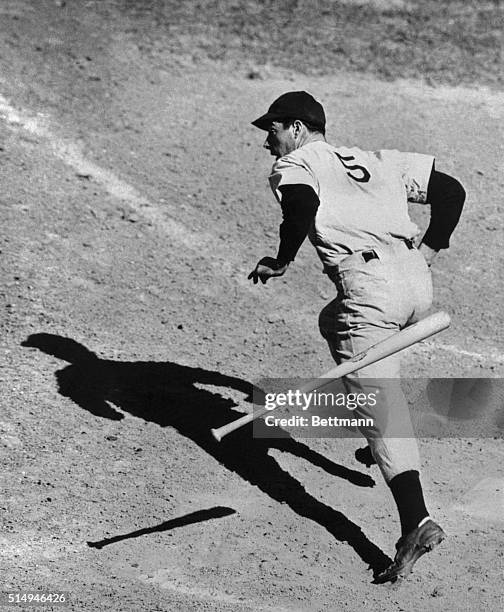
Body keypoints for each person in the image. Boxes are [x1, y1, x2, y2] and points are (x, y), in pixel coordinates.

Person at [248, 91, 465, 583]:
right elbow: (452, 191)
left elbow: (300, 208)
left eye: (274, 129)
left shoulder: (298, 163)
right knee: (334, 323)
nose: (268, 141)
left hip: (371, 293)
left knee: (381, 407)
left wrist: (281, 261)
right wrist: (429, 250)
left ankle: (416, 522)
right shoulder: (374, 159)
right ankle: (376, 429)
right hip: (415, 286)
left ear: (298, 129)